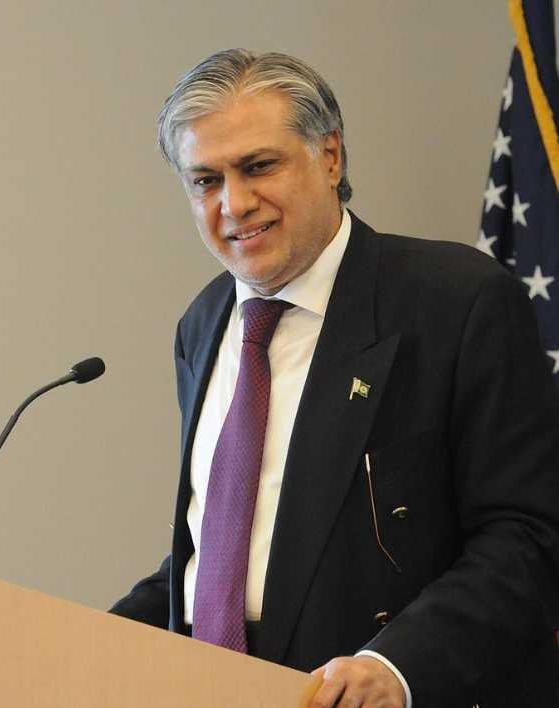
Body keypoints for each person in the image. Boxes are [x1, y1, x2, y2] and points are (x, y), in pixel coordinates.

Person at [111, 49, 559, 707]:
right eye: (205, 180)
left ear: (329, 157)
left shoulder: (456, 302)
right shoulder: (201, 325)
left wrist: (398, 667)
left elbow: (529, 535)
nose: (235, 203)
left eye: (258, 166)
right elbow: (225, 551)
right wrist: (89, 637)